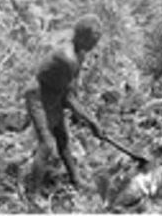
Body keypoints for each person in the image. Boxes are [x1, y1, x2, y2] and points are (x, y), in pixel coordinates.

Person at [24, 14, 104, 191]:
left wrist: (87, 118)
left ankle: (76, 180)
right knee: (47, 145)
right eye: (93, 39)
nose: (95, 44)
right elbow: (68, 99)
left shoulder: (80, 54)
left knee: (63, 139)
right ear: (81, 36)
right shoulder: (66, 58)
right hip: (38, 96)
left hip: (55, 94)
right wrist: (91, 121)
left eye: (97, 39)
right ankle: (32, 195)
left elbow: (71, 89)